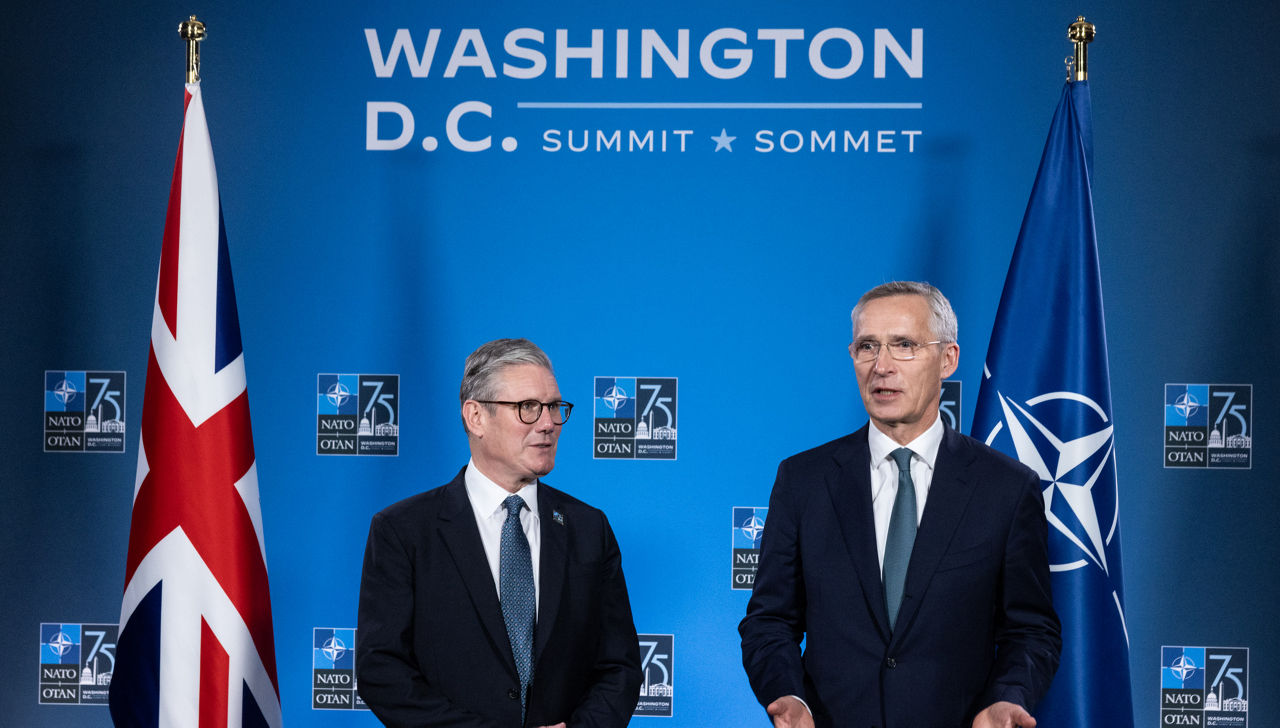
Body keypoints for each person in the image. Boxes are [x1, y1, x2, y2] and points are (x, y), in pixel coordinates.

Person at [739, 282, 1061, 728]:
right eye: (867, 347)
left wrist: (1007, 698)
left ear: (948, 359)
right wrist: (789, 695)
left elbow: (1031, 630)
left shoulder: (1006, 488)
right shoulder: (803, 481)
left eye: (904, 345)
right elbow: (769, 622)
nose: (881, 366)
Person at [357, 338, 642, 728]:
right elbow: (382, 670)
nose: (548, 424)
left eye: (555, 408)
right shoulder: (403, 531)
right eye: (528, 408)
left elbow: (620, 667)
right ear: (476, 417)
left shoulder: (588, 528)